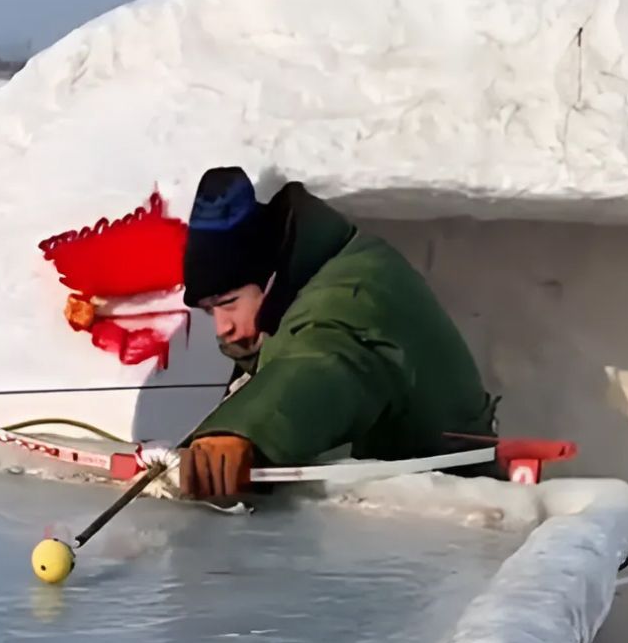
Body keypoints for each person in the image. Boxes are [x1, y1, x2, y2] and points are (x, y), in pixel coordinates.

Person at [178, 167, 495, 500]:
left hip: (452, 520)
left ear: (270, 275)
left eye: (228, 303)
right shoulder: (306, 281)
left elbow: (327, 361)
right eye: (210, 311)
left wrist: (243, 431)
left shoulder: (353, 293)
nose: (221, 326)